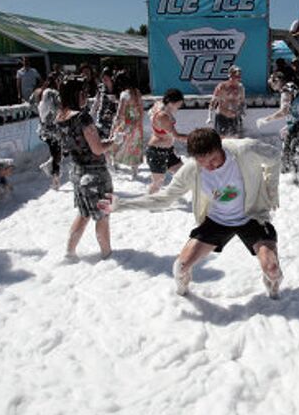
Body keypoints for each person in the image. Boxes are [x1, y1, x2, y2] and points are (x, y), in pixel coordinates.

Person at [101, 128, 283, 298]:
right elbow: (164, 198)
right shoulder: (192, 170)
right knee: (180, 267)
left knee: (273, 269)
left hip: (252, 216)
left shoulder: (245, 150)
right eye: (202, 162)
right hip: (217, 220)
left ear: (220, 147)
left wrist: (270, 189)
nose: (209, 167)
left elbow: (275, 157)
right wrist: (121, 205)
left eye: (213, 160)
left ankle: (274, 293)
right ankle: (182, 295)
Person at [55, 76, 120, 260]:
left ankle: (69, 252)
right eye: (83, 92)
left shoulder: (60, 117)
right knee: (102, 215)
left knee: (83, 214)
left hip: (76, 171)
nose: (86, 96)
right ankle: (107, 255)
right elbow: (97, 148)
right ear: (76, 94)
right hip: (95, 174)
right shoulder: (82, 118)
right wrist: (114, 142)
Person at [257, 74, 299, 185]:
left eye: (271, 84)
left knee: (294, 157)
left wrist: (267, 119)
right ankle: (298, 180)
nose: (271, 87)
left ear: (277, 81)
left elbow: (284, 111)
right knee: (296, 156)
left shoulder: (286, 91)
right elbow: (297, 109)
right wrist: (288, 126)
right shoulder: (292, 87)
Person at [146, 88, 188, 194]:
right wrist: (197, 138)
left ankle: (172, 195)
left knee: (183, 173)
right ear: (170, 102)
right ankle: (147, 203)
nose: (179, 107)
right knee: (157, 183)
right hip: (156, 152)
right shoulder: (163, 116)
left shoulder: (163, 107)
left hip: (168, 150)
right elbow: (177, 136)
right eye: (178, 104)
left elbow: (156, 106)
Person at [112, 72, 145, 180]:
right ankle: (134, 171)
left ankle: (115, 164)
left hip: (126, 123)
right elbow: (141, 110)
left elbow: (120, 112)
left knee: (117, 143)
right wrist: (139, 122)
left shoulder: (124, 94)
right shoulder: (137, 92)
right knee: (135, 147)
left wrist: (115, 123)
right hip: (137, 123)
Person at [32, 75, 62, 189]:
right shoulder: (52, 93)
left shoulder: (40, 92)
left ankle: (51, 169)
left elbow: (34, 106)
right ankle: (55, 179)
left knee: (57, 153)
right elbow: (58, 109)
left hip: (43, 129)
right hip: (52, 129)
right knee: (57, 154)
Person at [209, 65, 246, 138]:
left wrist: (242, 112)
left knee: (237, 138)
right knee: (221, 138)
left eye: (238, 76)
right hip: (222, 116)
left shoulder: (240, 88)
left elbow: (242, 102)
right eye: (235, 75)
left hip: (235, 117)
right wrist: (210, 116)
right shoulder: (222, 86)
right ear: (230, 76)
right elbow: (213, 100)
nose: (237, 78)